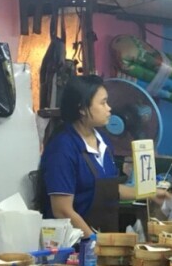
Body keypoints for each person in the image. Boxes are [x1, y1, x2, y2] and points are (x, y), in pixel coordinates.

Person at [38, 75, 141, 236]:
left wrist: (150, 193)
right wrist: (94, 242)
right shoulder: (63, 148)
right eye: (103, 103)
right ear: (81, 108)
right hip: (72, 245)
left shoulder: (103, 141)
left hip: (103, 235)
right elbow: (62, 210)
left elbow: (108, 189)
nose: (109, 108)